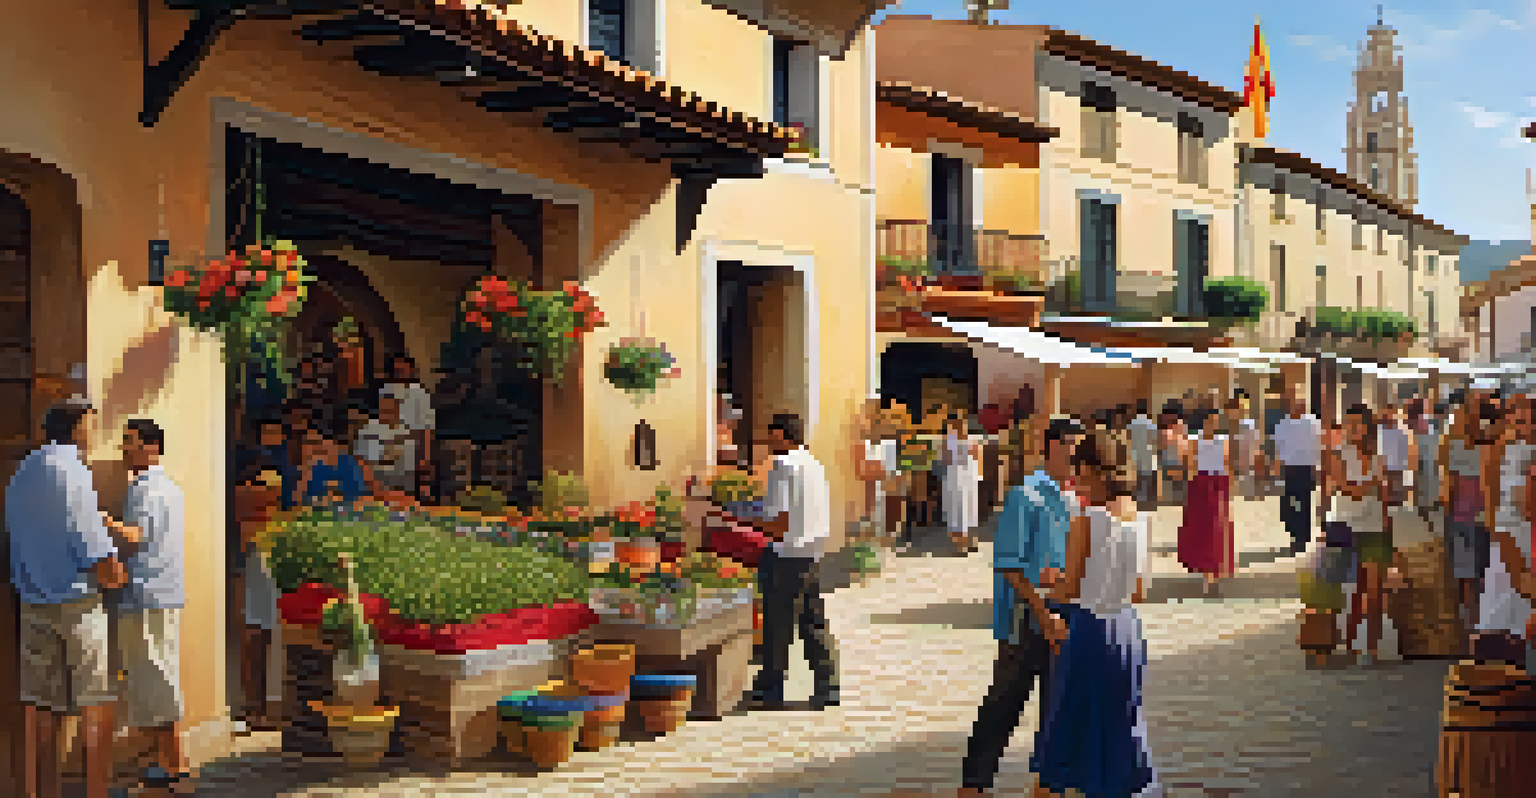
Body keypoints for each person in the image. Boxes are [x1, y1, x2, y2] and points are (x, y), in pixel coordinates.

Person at [6, 400, 128, 798]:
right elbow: (89, 537)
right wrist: (113, 570)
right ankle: (96, 792)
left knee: (40, 705)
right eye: (91, 422)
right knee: (96, 700)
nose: (94, 430)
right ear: (76, 427)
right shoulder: (72, 470)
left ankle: (42, 791)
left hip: (32, 601)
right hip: (77, 604)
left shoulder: (23, 471)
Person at [958, 417, 1082, 797]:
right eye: (1075, 447)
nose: (1080, 456)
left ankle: (1047, 785)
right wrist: (1044, 614)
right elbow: (1010, 565)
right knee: (1005, 703)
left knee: (1057, 705)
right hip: (1027, 615)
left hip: (1064, 612)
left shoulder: (1074, 498)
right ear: (1054, 446)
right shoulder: (1025, 495)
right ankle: (974, 785)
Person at [1029, 434, 1159, 798]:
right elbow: (1139, 592)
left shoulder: (1086, 520)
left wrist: (1049, 584)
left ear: (1092, 470)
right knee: (1120, 726)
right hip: (1127, 632)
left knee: (1070, 731)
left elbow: (1069, 589)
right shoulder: (1141, 520)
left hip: (1091, 633)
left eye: (1079, 472)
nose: (1076, 480)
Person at [111, 419, 190, 790]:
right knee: (156, 674)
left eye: (130, 441)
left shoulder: (147, 489)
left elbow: (135, 536)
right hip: (158, 592)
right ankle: (166, 762)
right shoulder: (166, 487)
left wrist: (98, 519)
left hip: (146, 593)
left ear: (151, 447)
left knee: (155, 677)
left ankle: (174, 765)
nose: (124, 449)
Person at [745, 413, 840, 709]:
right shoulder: (813, 464)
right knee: (813, 622)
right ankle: (828, 686)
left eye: (772, 435)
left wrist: (744, 520)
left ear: (784, 436)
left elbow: (780, 523)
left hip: (786, 554)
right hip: (811, 554)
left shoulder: (783, 466)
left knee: (777, 625)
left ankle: (770, 689)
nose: (768, 441)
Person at [1477, 392, 1536, 654]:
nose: (1521, 421)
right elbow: (1489, 489)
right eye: (1516, 414)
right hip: (1508, 524)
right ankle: (1500, 646)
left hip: (1527, 526)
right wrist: (1494, 526)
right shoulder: (1499, 446)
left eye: (1526, 416)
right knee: (1503, 585)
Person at [1333, 404, 1391, 666]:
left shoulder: (1379, 456)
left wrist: (1387, 526)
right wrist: (1374, 483)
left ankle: (1372, 647)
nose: (1352, 428)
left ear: (1368, 427)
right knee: (1350, 590)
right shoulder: (1338, 455)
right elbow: (1348, 489)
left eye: (1357, 423)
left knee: (1375, 591)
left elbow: (1383, 497)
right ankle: (1348, 643)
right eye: (1349, 423)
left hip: (1375, 528)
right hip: (1346, 527)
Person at [1179, 409, 1235, 596]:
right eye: (1211, 421)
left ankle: (1215, 574)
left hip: (1218, 484)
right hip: (1201, 485)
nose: (1214, 424)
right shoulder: (1195, 441)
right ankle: (1206, 574)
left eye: (1216, 421)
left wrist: (1228, 489)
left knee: (1218, 531)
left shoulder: (1223, 440)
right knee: (1203, 531)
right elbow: (1190, 464)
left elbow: (1227, 464)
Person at [294, 414, 377, 507]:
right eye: (308, 443)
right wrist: (306, 474)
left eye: (316, 442)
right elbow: (298, 501)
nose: (314, 448)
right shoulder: (314, 467)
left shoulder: (349, 463)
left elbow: (360, 496)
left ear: (333, 442)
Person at [1274, 396, 1323, 554]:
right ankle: (1293, 532)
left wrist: (1317, 467)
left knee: (1304, 504)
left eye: (1301, 405)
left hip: (1306, 468)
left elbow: (1318, 445)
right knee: (1288, 504)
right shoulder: (1283, 425)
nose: (1298, 408)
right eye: (1295, 405)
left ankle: (1301, 538)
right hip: (1289, 468)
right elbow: (1278, 447)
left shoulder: (1313, 423)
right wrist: (1277, 467)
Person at [386, 353, 436, 493]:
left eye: (402, 370)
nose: (399, 374)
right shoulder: (386, 392)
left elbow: (426, 428)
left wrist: (425, 460)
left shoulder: (420, 394)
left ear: (410, 371)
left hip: (412, 448)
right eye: (396, 371)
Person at [355, 387, 418, 496]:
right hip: (373, 488)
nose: (388, 411)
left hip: (402, 489)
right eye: (384, 407)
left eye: (392, 407)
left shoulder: (406, 431)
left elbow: (409, 466)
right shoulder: (369, 429)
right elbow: (363, 462)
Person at [943, 410, 983, 554]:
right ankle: (960, 543)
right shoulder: (949, 440)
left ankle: (969, 540)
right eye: (957, 421)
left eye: (962, 421)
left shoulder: (972, 439)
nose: (960, 424)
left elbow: (978, 457)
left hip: (969, 477)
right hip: (955, 477)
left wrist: (978, 476)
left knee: (970, 509)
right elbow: (946, 459)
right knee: (957, 510)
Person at [1128, 400, 1159, 509]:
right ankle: (1150, 505)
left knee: (1140, 481)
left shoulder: (1132, 424)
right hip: (1149, 456)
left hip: (1137, 456)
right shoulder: (1150, 424)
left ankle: (1140, 504)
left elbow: (1129, 440)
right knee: (1149, 481)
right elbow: (1155, 440)